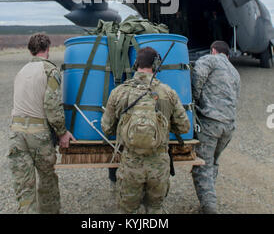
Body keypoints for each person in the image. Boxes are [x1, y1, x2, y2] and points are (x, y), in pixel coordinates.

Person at [101, 46, 190, 214]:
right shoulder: (168, 92)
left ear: (136, 65)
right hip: (159, 164)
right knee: (155, 209)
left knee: (128, 211)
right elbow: (184, 127)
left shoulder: (118, 92)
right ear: (156, 65)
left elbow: (107, 127)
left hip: (131, 163)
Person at [8, 33, 75, 214]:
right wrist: (62, 133)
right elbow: (52, 106)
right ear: (48, 49)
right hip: (38, 135)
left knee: (24, 185)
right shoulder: (50, 71)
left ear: (30, 50)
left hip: (16, 134)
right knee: (47, 180)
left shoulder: (21, 71)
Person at [191, 40, 241, 214]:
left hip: (210, 122)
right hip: (229, 126)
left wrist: (194, 102)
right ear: (227, 54)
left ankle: (209, 208)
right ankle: (207, 201)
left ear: (213, 50)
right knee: (213, 163)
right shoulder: (235, 72)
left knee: (203, 166)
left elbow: (196, 78)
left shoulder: (209, 60)